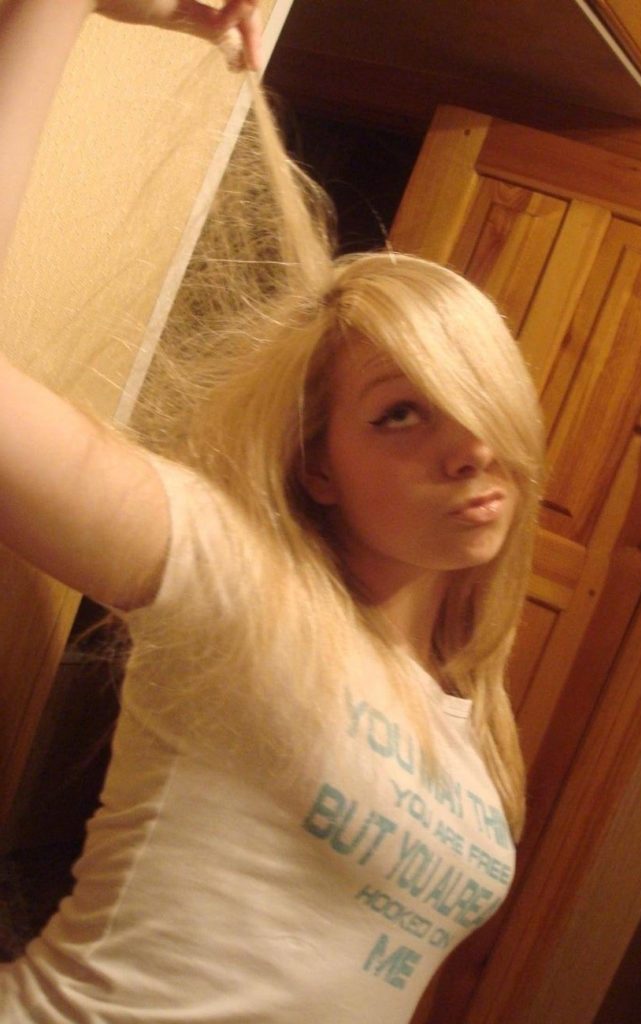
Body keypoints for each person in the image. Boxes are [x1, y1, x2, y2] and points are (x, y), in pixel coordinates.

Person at [0, 1, 545, 1021]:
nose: (470, 443)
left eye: (478, 398)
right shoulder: (240, 581)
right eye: (399, 413)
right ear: (319, 469)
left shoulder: (476, 722)